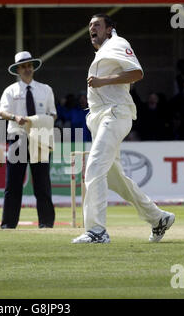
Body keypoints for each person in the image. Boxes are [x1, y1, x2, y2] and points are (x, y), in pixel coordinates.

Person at [72, 14, 175, 244]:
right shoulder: (103, 50)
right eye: (89, 25)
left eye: (97, 25)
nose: (92, 29)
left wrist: (103, 81)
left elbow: (137, 73)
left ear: (109, 29)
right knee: (115, 179)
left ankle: (96, 231)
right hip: (100, 118)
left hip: (116, 113)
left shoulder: (119, 43)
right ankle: (158, 218)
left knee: (94, 166)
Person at [0, 51, 57, 229]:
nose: (27, 69)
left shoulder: (46, 89)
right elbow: (1, 112)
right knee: (13, 183)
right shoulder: (11, 90)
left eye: (29, 65)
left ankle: (46, 223)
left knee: (42, 182)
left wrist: (41, 121)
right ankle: (8, 224)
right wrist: (16, 117)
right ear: (18, 70)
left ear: (33, 67)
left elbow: (53, 114)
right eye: (23, 66)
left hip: (40, 137)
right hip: (18, 136)